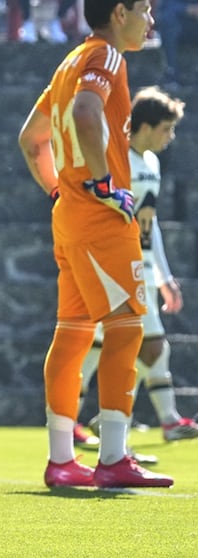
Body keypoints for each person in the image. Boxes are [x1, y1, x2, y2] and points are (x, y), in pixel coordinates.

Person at [17, 0, 171, 488]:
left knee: (75, 331)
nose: (150, 20)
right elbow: (86, 111)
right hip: (101, 217)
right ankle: (112, 458)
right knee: (127, 329)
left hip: (70, 215)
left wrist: (61, 189)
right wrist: (103, 185)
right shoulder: (105, 56)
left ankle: (62, 459)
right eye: (144, 9)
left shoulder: (69, 62)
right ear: (120, 11)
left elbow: (31, 137)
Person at [76, 86, 198, 445]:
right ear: (145, 126)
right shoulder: (117, 158)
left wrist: (163, 276)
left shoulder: (152, 163)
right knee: (151, 345)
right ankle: (120, 420)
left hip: (141, 266)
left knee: (102, 348)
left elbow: (151, 222)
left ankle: (79, 419)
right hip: (117, 265)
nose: (170, 137)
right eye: (166, 128)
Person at [156, 0, 198, 87]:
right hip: (180, 24)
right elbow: (165, 6)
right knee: (167, 17)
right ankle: (171, 71)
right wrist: (188, 9)